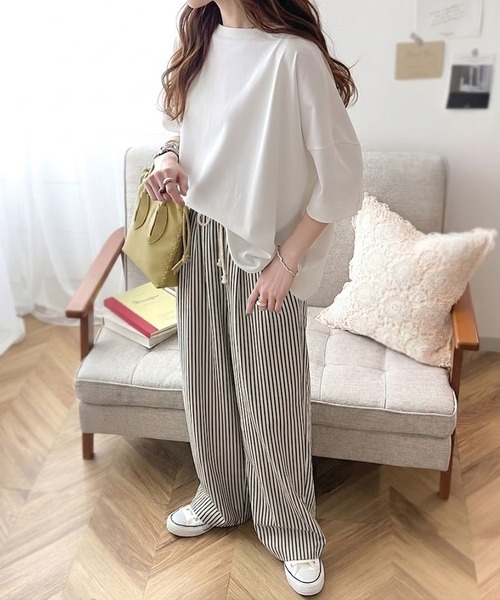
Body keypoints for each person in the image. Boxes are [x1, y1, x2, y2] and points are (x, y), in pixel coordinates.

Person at [145, 0, 362, 595]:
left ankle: (292, 530)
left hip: (265, 254)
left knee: (273, 396)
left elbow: (343, 177)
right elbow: (187, 135)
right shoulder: (200, 45)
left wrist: (288, 261)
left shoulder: (294, 58)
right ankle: (220, 495)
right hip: (199, 239)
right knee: (205, 380)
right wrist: (169, 159)